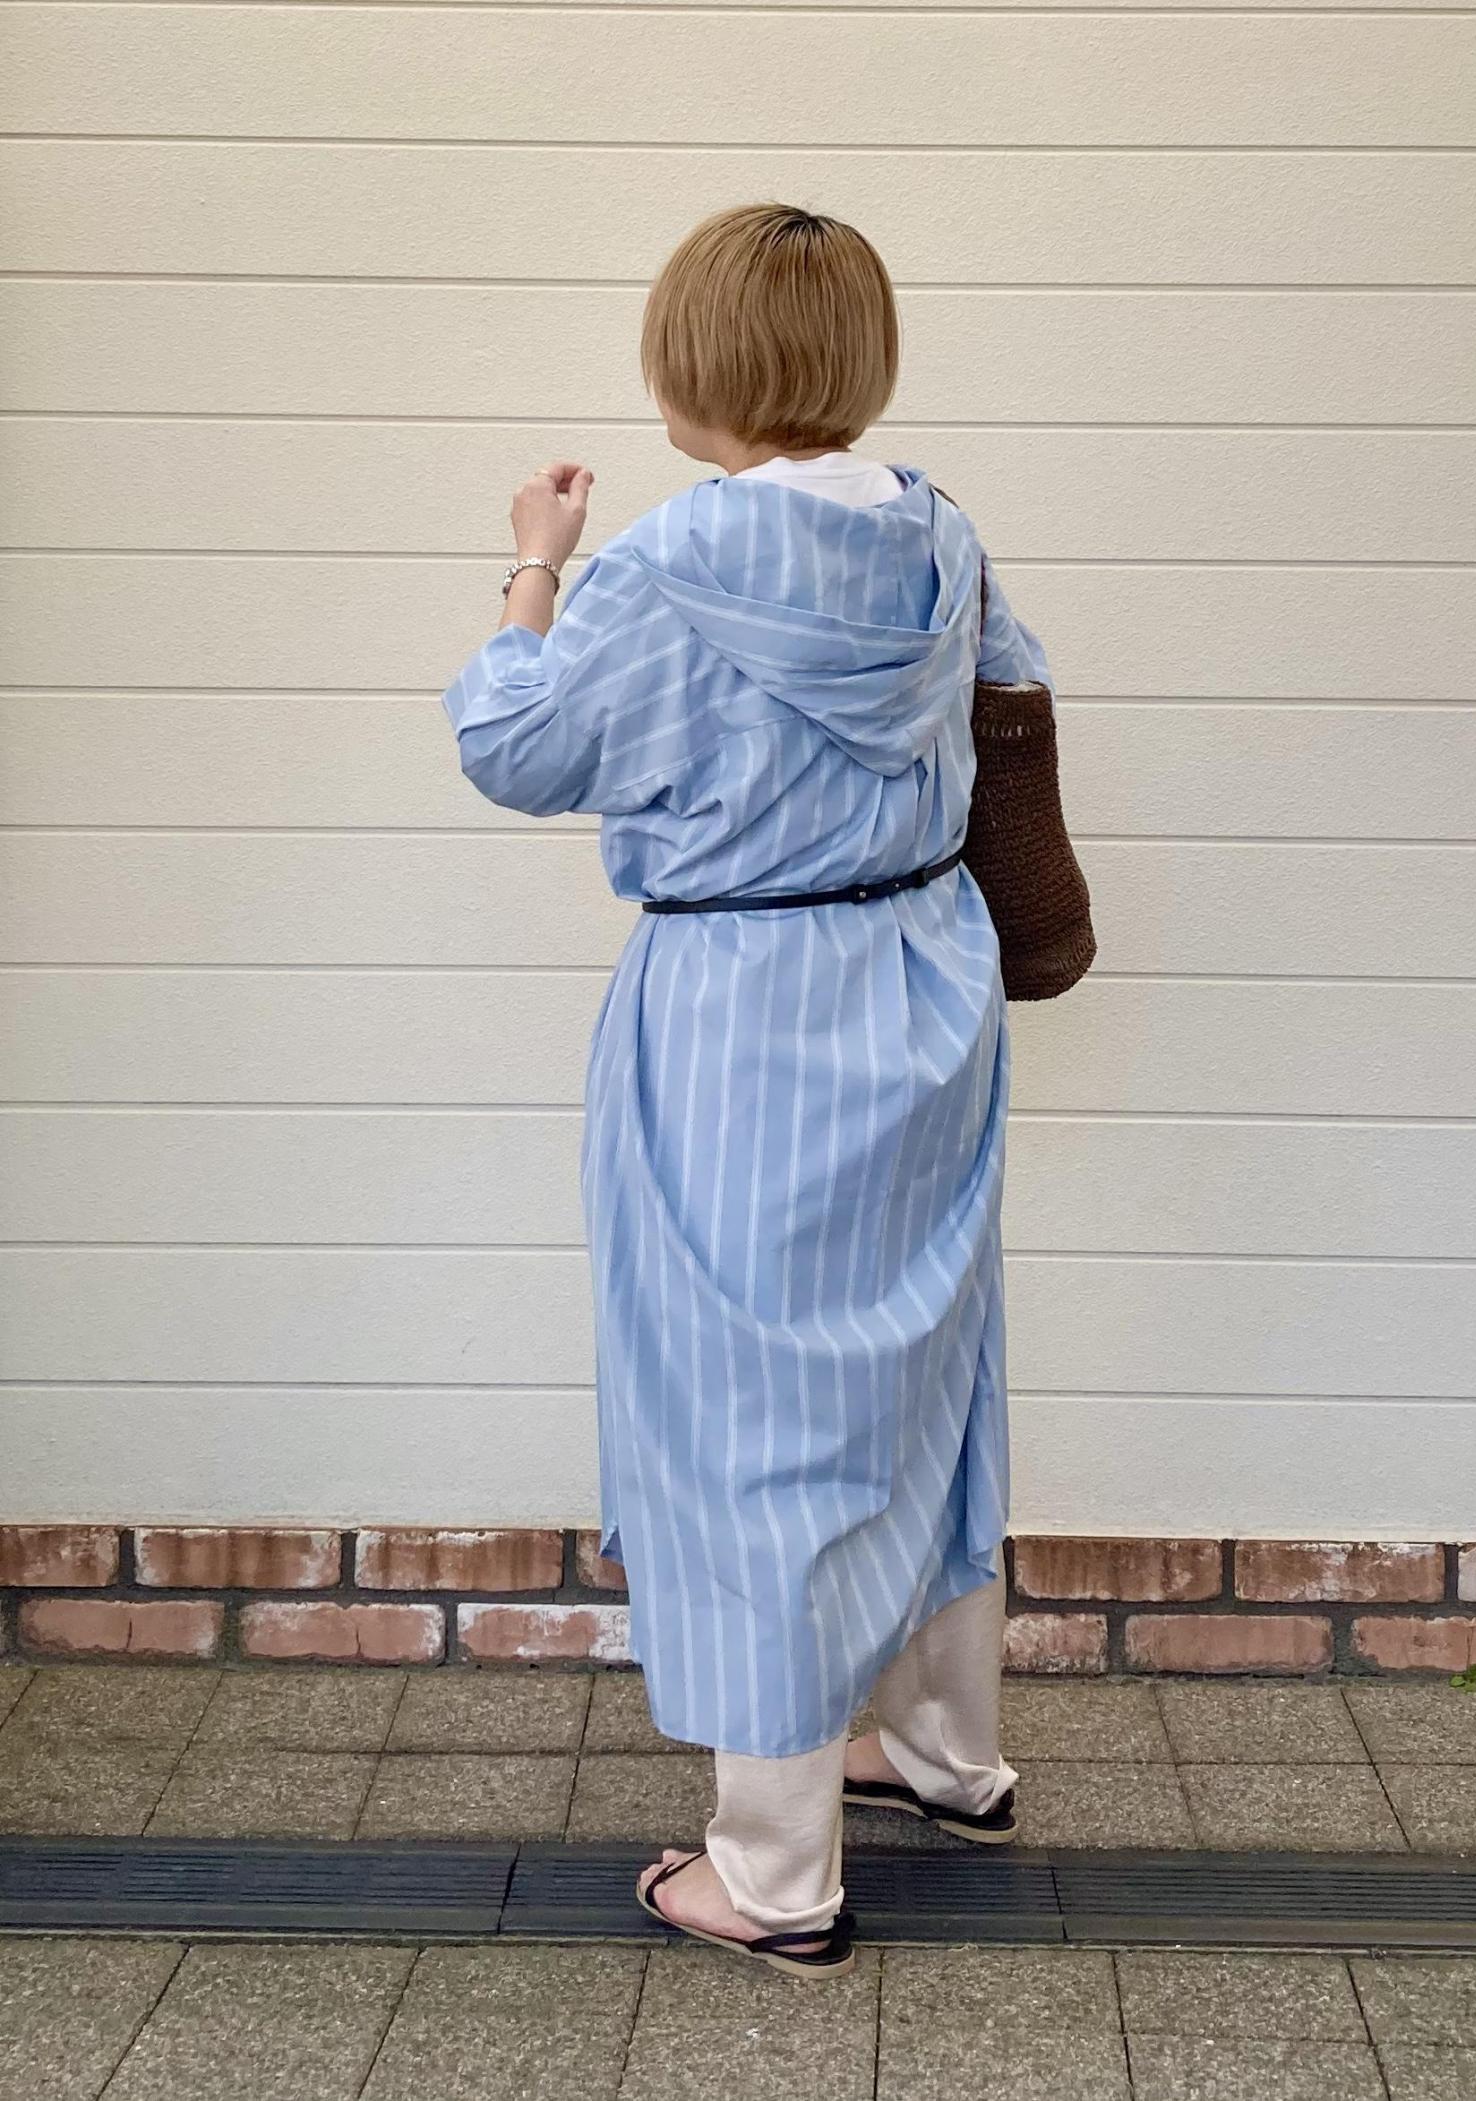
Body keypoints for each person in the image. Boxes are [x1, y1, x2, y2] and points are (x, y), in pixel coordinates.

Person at [442, 203, 1047, 1979]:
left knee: (748, 1407)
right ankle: (944, 1749)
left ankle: (775, 1874)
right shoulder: (937, 529)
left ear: (691, 366)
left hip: (742, 1008)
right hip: (923, 980)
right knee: (923, 1365)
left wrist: (533, 569)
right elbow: (1010, 695)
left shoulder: (666, 562)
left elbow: (515, 747)